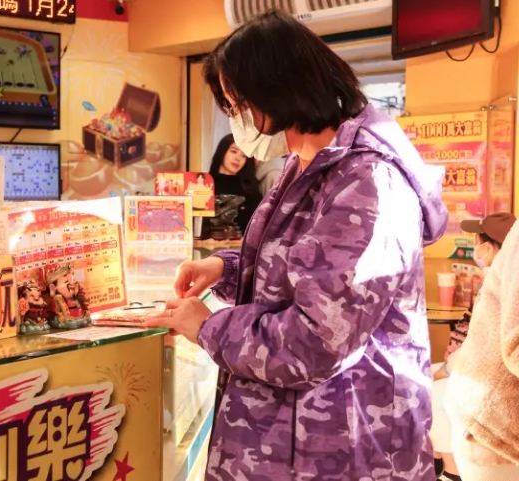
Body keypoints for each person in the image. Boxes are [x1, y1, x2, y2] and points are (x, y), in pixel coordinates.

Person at [145, 9, 448, 481]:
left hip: (342, 446)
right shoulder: (305, 164)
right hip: (283, 441)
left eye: (240, 104)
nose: (238, 120)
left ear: (279, 89)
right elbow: (304, 269)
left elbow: (316, 341)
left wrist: (208, 326)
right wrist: (227, 268)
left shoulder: (369, 183)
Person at [431, 212, 516, 481]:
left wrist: (444, 370)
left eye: (477, 241)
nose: (474, 247)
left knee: (432, 392)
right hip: (487, 411)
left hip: (484, 398)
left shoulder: (502, 277)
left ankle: (450, 470)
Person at [209, 134, 262, 233]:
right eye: (233, 151)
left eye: (244, 155)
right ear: (222, 151)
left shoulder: (251, 190)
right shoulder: (205, 184)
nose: (238, 158)